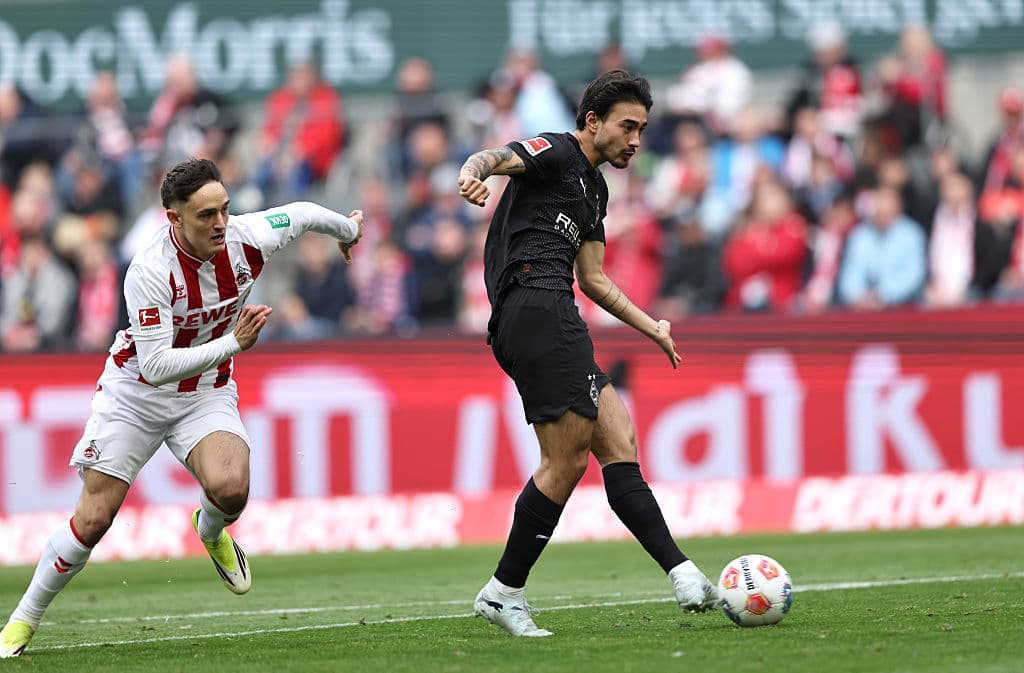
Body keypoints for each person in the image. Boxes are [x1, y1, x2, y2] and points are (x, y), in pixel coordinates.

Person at [0, 157, 364, 657]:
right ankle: (23, 619)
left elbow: (300, 214)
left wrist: (347, 230)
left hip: (205, 391)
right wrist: (233, 345)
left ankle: (210, 530)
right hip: (138, 395)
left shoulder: (246, 236)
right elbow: (155, 366)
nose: (220, 223)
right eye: (205, 215)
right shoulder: (148, 271)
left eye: (224, 210)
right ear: (175, 218)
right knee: (94, 519)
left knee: (232, 487)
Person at [457, 69, 718, 638]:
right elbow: (491, 156)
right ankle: (503, 591)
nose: (636, 141)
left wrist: (652, 327)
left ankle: (684, 574)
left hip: (559, 311)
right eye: (628, 126)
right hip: (533, 305)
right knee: (566, 461)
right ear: (593, 121)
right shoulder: (553, 151)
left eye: (643, 130)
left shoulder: (596, 190)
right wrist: (470, 174)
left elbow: (595, 279)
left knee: (618, 439)